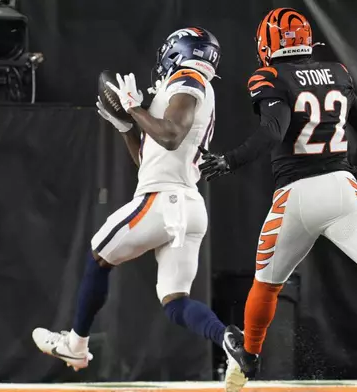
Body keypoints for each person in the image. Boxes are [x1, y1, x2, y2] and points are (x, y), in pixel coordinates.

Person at [197, 8, 357, 390]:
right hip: (341, 185)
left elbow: (273, 130)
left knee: (266, 285)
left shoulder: (270, 76)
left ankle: (249, 356)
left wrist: (230, 159)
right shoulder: (337, 73)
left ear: (267, 46)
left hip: (297, 195)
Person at [32, 27, 228, 371]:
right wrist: (127, 127)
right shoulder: (192, 88)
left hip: (165, 200)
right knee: (175, 301)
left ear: (177, 52)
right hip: (188, 205)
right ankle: (228, 339)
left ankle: (75, 345)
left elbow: (169, 136)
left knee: (99, 252)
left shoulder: (187, 79)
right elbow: (150, 159)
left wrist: (135, 108)